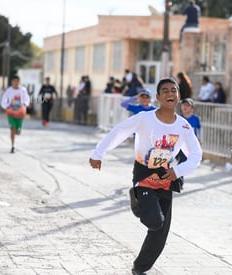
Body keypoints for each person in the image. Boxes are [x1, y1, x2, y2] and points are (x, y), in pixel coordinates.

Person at [89, 77, 202, 275]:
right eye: (164, 90)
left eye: (173, 90)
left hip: (167, 175)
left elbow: (196, 154)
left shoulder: (183, 126)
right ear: (157, 97)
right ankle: (138, 198)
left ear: (178, 96)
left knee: (160, 232)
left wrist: (178, 171)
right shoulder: (145, 118)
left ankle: (140, 268)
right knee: (154, 221)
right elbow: (119, 131)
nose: (169, 93)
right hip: (144, 173)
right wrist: (98, 153)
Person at [0, 75, 30, 153]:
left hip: (20, 113)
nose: (16, 83)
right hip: (11, 112)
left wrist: (25, 104)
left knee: (18, 132)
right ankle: (12, 146)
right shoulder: (9, 90)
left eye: (17, 81)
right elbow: (4, 100)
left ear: (19, 82)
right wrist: (6, 106)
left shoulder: (23, 90)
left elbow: (27, 99)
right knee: (12, 129)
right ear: (12, 82)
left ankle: (17, 131)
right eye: (14, 81)